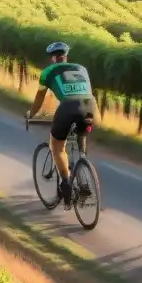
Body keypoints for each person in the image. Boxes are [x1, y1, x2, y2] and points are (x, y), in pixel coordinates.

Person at [25, 41, 98, 206]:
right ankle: (82, 166)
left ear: (53, 57)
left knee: (57, 146)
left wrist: (31, 115)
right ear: (66, 55)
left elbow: (39, 99)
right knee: (81, 132)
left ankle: (65, 183)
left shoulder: (48, 72)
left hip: (68, 107)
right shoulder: (81, 69)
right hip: (89, 107)